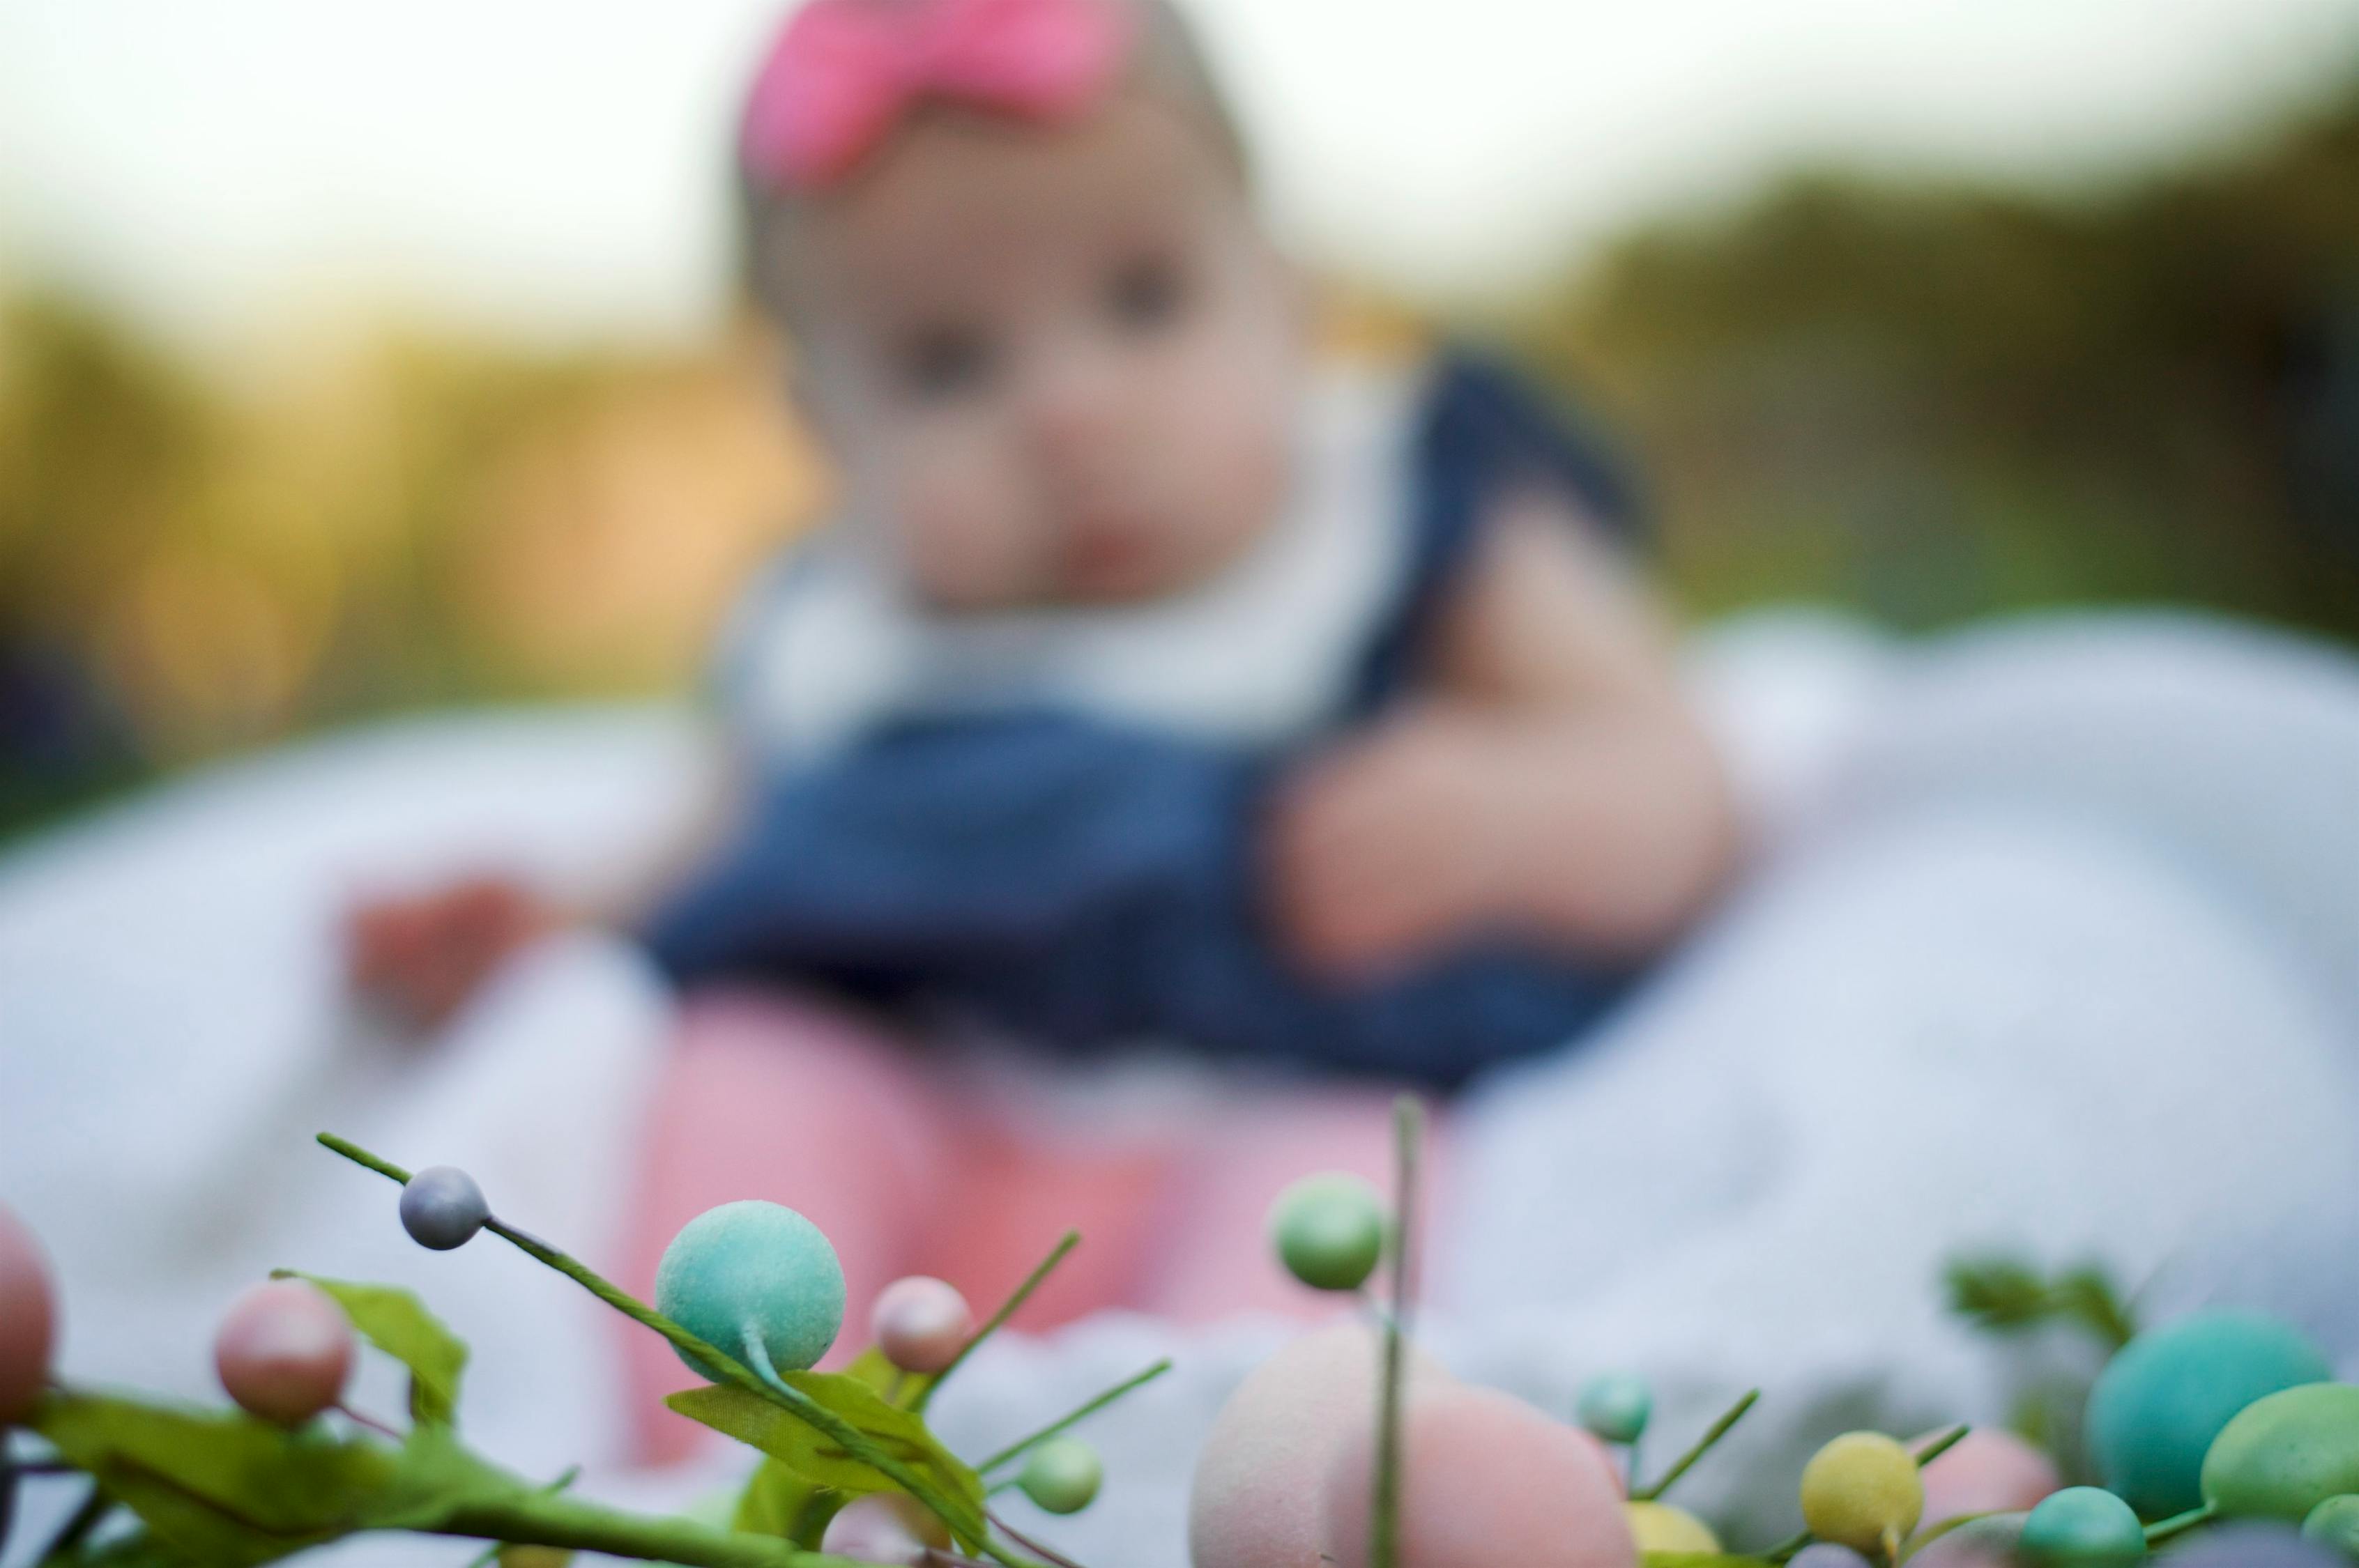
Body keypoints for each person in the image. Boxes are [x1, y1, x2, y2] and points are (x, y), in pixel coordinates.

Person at [345, 0, 1737, 1462]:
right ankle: (765, 1470)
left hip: (1270, 1082)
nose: (1069, 414)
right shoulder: (839, 624)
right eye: (947, 366)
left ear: (1286, 294)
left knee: (1337, 1206)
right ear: (825, 428)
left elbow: (1677, 772)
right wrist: (541, 927)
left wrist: (1513, 814)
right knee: (738, 1068)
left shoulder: (1397, 499)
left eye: (1143, 300)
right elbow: (715, 846)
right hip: (914, 1084)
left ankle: (1216, 1483)